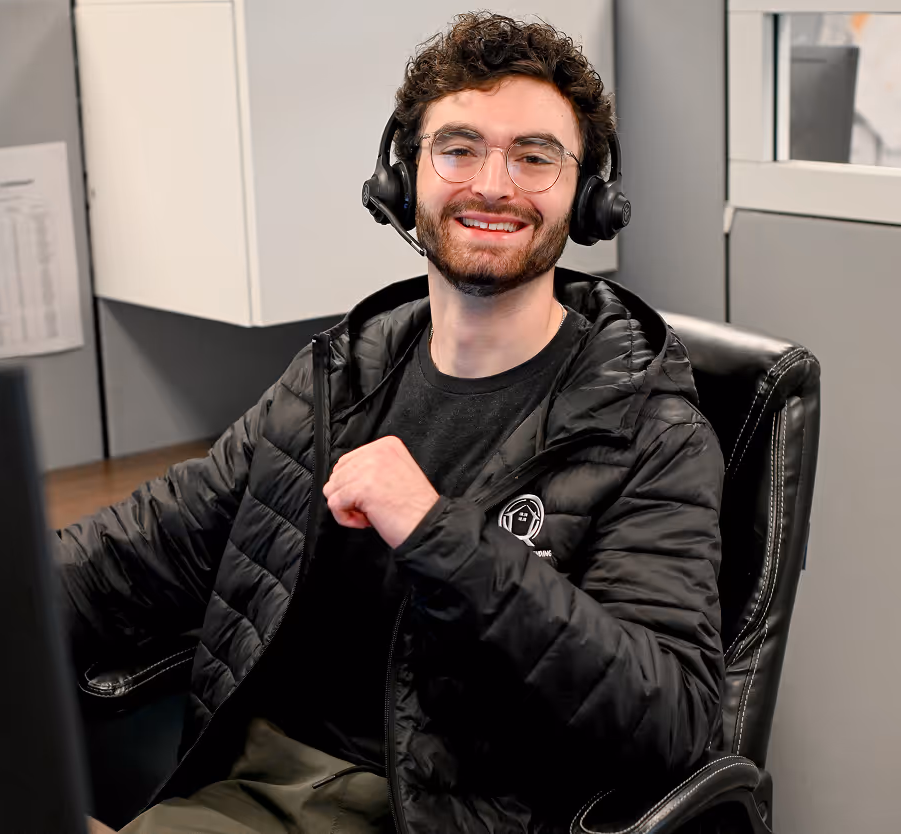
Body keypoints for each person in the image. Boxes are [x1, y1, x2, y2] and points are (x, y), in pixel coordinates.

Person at [60, 12, 725, 834]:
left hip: (442, 812)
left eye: (534, 156)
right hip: (245, 783)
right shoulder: (344, 375)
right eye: (459, 148)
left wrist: (439, 535)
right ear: (403, 174)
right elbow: (150, 546)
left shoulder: (645, 427)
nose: (493, 183)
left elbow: (675, 723)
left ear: (588, 196)